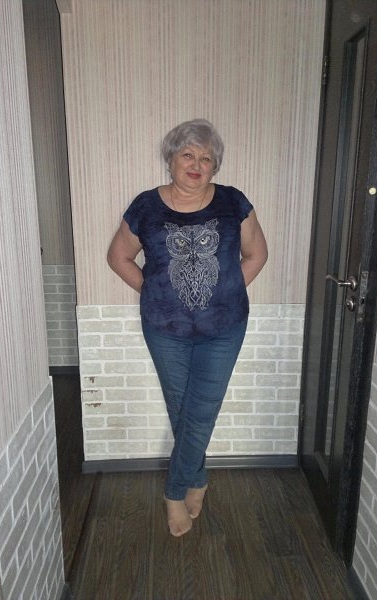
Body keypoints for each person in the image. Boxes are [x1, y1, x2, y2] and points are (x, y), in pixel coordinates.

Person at [107, 119, 268, 537]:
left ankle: (174, 491)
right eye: (188, 155)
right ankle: (197, 478)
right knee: (182, 409)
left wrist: (224, 291)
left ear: (215, 166)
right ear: (172, 159)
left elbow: (256, 254)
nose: (196, 164)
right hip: (165, 329)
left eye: (206, 158)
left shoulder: (233, 202)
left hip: (225, 327)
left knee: (202, 410)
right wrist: (155, 292)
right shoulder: (146, 206)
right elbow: (119, 257)